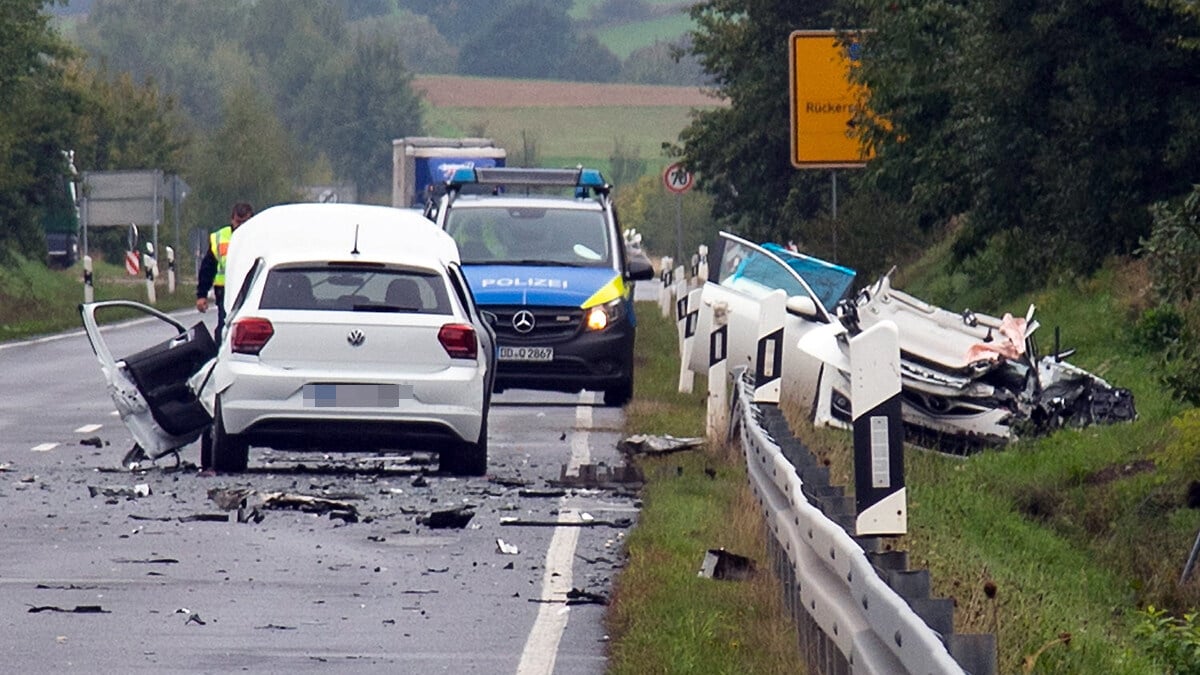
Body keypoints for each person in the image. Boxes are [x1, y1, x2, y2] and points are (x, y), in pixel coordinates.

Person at [196, 202, 254, 342]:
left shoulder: (258, 237)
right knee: (225, 327)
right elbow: (208, 268)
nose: (240, 226)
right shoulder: (220, 237)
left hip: (252, 290)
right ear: (232, 220)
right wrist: (201, 295)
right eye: (238, 222)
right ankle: (221, 357)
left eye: (245, 222)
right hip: (226, 291)